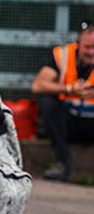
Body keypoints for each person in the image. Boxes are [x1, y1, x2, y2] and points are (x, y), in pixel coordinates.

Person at [31, 21, 94, 181]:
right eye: (87, 47)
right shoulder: (62, 55)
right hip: (70, 122)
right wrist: (68, 89)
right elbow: (38, 85)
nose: (91, 52)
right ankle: (63, 164)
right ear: (79, 43)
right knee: (48, 103)